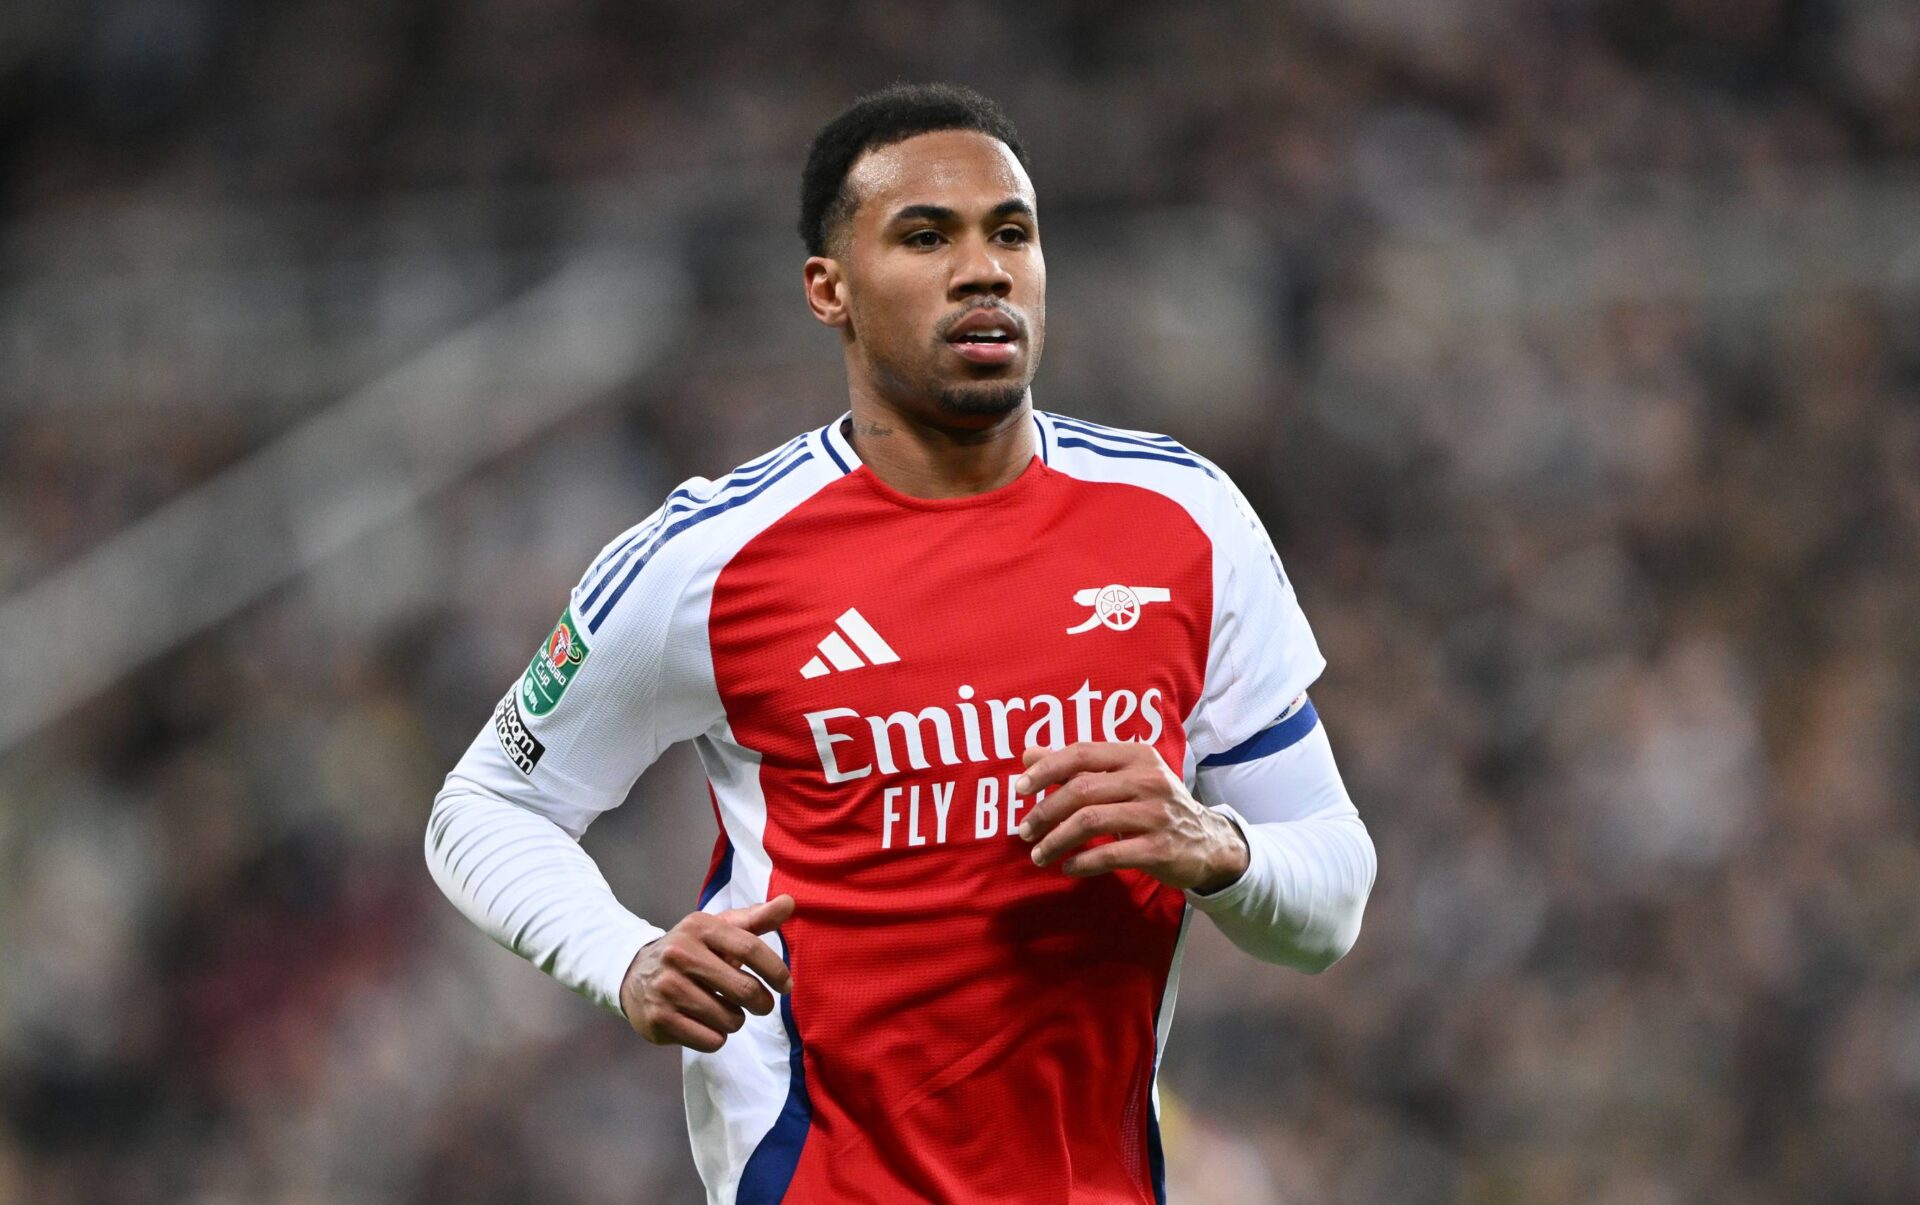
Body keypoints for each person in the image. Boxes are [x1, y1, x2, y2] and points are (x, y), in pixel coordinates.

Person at [425, 82, 1376, 1204]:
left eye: (1010, 233)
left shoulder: (1186, 520)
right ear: (828, 288)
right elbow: (485, 806)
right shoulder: (710, 556)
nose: (984, 271)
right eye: (927, 237)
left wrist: (1218, 846)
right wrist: (620, 956)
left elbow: (1330, 901)